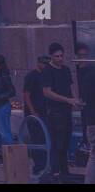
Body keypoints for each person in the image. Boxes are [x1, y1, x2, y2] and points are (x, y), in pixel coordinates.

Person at [40, 42, 84, 181]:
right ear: (51, 56)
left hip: (66, 110)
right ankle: (56, 172)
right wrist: (68, 100)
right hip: (55, 111)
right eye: (57, 56)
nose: (60, 58)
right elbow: (47, 92)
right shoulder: (48, 70)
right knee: (57, 143)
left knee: (65, 142)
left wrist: (75, 100)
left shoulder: (65, 69)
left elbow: (70, 88)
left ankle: (65, 172)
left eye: (61, 56)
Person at [22, 54, 50, 175]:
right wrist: (33, 111)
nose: (45, 66)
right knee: (37, 140)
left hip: (44, 111)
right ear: (38, 63)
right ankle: (38, 166)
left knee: (44, 139)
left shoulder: (46, 75)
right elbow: (26, 95)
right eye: (43, 63)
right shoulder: (31, 76)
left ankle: (45, 164)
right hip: (34, 113)